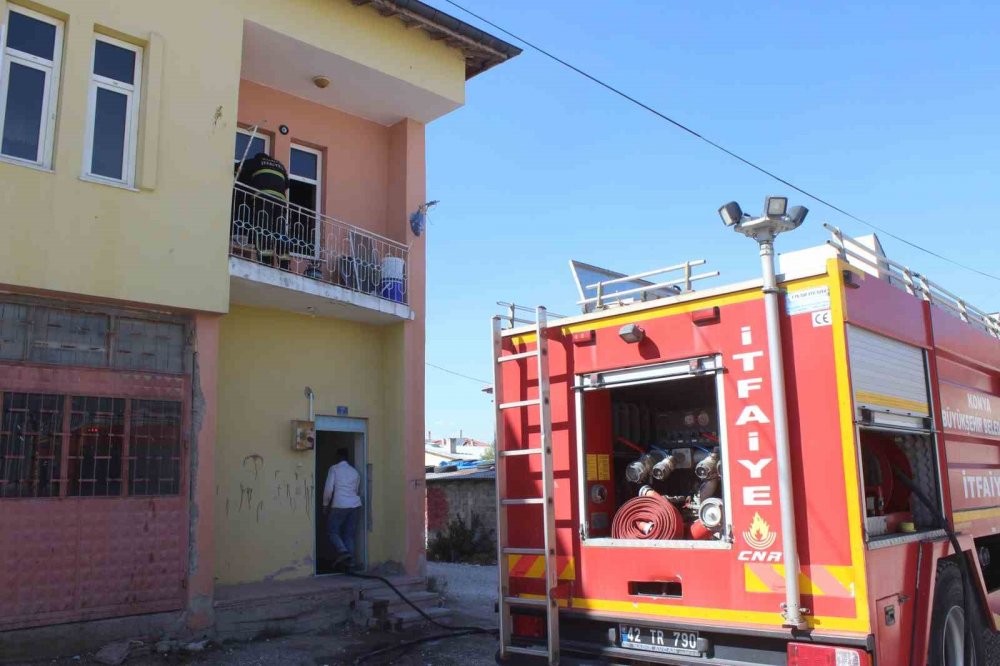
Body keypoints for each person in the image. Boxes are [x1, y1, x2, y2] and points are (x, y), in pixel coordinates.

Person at [322, 448, 362, 568]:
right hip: (354, 505)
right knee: (349, 535)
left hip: (339, 504)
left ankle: (343, 551)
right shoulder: (355, 472)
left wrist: (325, 505)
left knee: (332, 530)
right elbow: (356, 489)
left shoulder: (334, 469)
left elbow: (329, 489)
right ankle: (351, 563)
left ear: (338, 457)